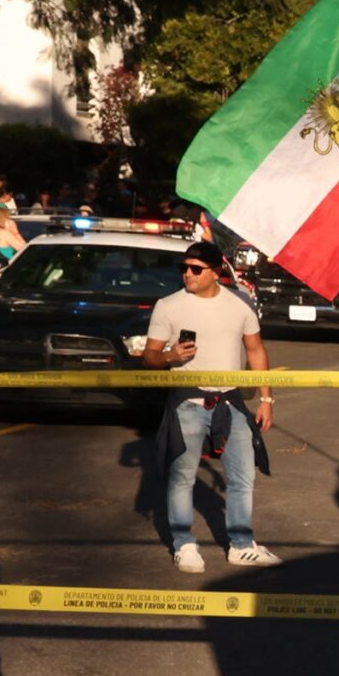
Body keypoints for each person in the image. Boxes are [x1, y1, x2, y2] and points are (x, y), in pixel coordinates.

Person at [143, 240, 278, 571]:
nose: (187, 274)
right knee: (182, 477)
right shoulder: (169, 305)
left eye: (195, 269)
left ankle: (242, 545)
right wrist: (171, 357)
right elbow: (149, 356)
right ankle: (183, 544)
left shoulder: (240, 303)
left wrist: (265, 399)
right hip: (187, 400)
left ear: (216, 272)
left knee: (243, 475)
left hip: (230, 401)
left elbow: (256, 350)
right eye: (183, 268)